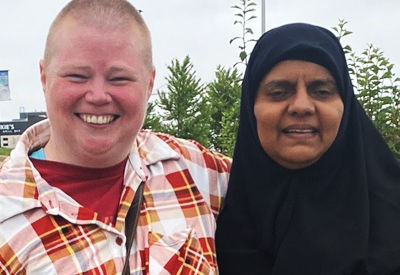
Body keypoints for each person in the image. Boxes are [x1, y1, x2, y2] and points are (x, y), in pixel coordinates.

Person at [0, 1, 230, 274]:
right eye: (77, 76)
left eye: (119, 78)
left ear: (150, 83)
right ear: (44, 77)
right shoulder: (7, 210)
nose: (98, 96)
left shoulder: (195, 168)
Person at [216, 23, 400, 275]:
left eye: (321, 91)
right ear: (251, 108)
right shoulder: (210, 218)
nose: (301, 106)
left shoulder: (391, 210)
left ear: (344, 105)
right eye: (279, 92)